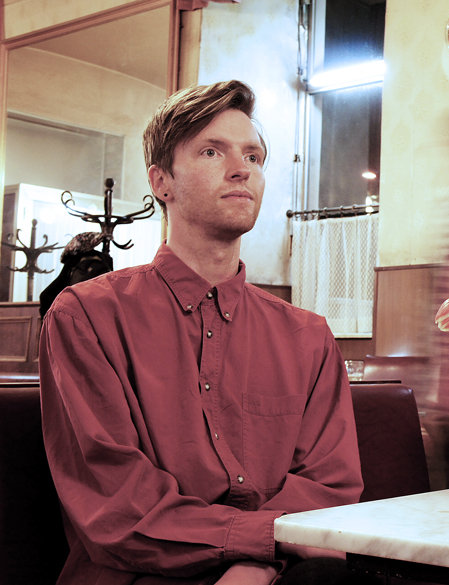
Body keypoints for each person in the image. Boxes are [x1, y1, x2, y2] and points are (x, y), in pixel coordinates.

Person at [39, 80, 369, 585]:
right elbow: (115, 502)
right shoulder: (86, 315)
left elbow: (331, 486)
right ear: (161, 182)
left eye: (254, 156)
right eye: (212, 151)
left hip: (281, 573)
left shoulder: (307, 335)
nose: (242, 169)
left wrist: (254, 564)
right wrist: (262, 543)